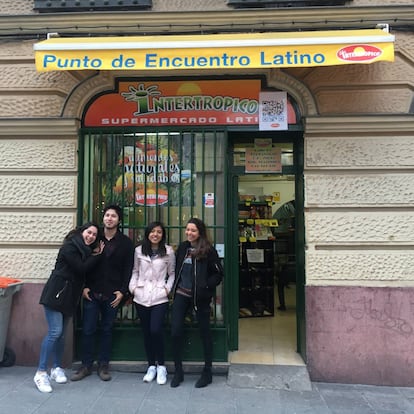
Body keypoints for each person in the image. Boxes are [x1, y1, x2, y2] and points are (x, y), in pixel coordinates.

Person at [34, 222, 104, 393]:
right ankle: (40, 372)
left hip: (69, 296)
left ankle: (56, 368)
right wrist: (97, 255)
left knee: (62, 334)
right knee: (54, 332)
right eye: (89, 232)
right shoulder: (70, 247)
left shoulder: (84, 251)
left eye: (94, 235)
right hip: (56, 294)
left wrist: (93, 255)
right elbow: (81, 269)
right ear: (81, 232)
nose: (91, 237)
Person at [71, 204, 135, 382]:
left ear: (119, 220)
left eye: (113, 216)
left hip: (113, 295)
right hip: (92, 292)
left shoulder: (125, 243)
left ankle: (103, 365)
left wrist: (123, 291)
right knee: (88, 329)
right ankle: (86, 365)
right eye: (107, 215)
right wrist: (83, 286)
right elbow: (82, 264)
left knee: (107, 329)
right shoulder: (93, 239)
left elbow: (128, 269)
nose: (109, 218)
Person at [170, 217, 224, 388]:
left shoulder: (208, 250)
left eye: (193, 230)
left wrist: (205, 286)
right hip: (181, 295)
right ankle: (178, 371)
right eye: (187, 230)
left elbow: (218, 274)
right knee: (175, 331)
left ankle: (207, 372)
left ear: (200, 232)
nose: (189, 233)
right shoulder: (183, 248)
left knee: (204, 333)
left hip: (199, 298)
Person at [129, 221, 175, 385]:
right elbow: (135, 271)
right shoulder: (139, 250)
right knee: (147, 332)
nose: (155, 234)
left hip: (159, 297)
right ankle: (151, 366)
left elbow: (172, 274)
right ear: (147, 233)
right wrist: (133, 288)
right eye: (152, 231)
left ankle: (161, 366)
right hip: (141, 295)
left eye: (159, 232)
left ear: (163, 235)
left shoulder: (168, 251)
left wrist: (167, 290)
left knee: (156, 330)